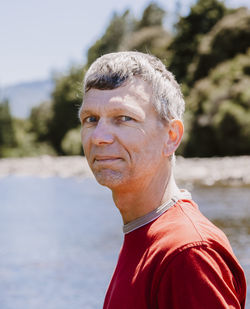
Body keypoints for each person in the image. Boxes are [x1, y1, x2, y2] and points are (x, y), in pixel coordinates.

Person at [79, 51, 246, 308]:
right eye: (91, 119)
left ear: (171, 136)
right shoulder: (144, 233)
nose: (99, 136)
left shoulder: (189, 253)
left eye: (124, 118)